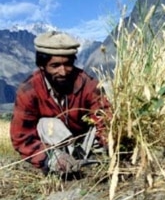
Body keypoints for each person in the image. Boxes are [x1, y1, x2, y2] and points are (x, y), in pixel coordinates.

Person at [10, 31, 111, 176]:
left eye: (68, 64)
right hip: (53, 148)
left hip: (87, 145)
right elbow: (22, 138)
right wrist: (50, 158)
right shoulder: (28, 90)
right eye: (55, 65)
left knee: (108, 89)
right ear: (42, 66)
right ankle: (61, 163)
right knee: (46, 123)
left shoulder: (87, 83)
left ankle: (92, 159)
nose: (63, 72)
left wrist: (110, 145)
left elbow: (104, 117)